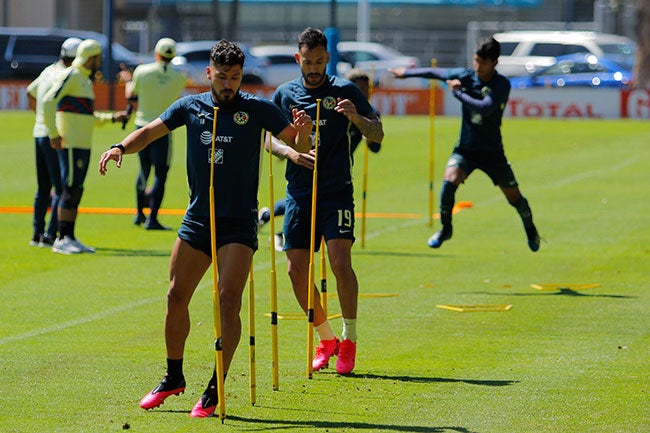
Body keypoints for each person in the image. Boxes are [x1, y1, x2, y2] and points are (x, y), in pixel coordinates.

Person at [99, 40, 312, 418]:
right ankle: (173, 376)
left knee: (228, 302)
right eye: (222, 77)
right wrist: (120, 146)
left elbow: (297, 144)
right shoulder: (190, 105)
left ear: (240, 75)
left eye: (235, 77)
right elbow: (149, 131)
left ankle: (216, 385)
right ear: (209, 74)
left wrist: (303, 132)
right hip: (197, 219)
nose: (228, 84)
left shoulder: (258, 109)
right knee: (175, 297)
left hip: (238, 223)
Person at [268, 27, 384, 375]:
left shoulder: (345, 90)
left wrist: (355, 117)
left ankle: (349, 339)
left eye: (319, 61)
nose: (314, 68)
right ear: (297, 59)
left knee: (339, 261)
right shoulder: (284, 94)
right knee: (295, 269)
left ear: (328, 59)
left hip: (336, 191)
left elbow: (377, 132)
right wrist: (290, 151)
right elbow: (268, 141)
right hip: (299, 193)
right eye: (308, 61)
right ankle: (326, 337)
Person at [389, 36, 541, 252]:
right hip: (466, 149)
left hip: (492, 153)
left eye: (483, 63)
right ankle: (446, 229)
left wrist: (457, 92)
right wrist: (407, 73)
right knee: (449, 180)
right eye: (476, 61)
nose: (478, 67)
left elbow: (484, 107)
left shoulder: (501, 84)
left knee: (514, 197)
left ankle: (531, 229)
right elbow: (437, 73)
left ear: (495, 63)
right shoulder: (466, 76)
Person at [259, 67, 382, 252]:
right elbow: (274, 135)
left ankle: (270, 217)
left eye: (366, 90)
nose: (363, 93)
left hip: (337, 177)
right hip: (306, 172)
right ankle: (271, 218)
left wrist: (359, 121)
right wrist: (289, 150)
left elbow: (375, 145)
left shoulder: (366, 112)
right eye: (360, 89)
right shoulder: (333, 103)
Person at [42, 38, 130, 255]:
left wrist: (112, 118)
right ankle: (62, 239)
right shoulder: (72, 74)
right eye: (98, 57)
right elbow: (47, 101)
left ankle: (69, 236)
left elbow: (88, 116)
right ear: (91, 57)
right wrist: (53, 133)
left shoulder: (84, 80)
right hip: (71, 142)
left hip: (82, 142)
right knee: (70, 188)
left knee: (76, 189)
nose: (100, 61)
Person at [123, 37, 187, 230]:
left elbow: (130, 95)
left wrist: (127, 79)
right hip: (163, 128)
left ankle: (139, 214)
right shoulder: (179, 77)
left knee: (144, 170)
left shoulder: (141, 71)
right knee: (161, 174)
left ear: (156, 53)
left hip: (142, 126)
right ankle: (153, 218)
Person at [26, 37, 81, 248]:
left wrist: (40, 117)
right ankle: (50, 235)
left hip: (38, 132)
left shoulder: (48, 70)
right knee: (60, 187)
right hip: (54, 135)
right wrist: (53, 128)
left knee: (42, 188)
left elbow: (29, 92)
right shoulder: (67, 75)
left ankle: (36, 233)